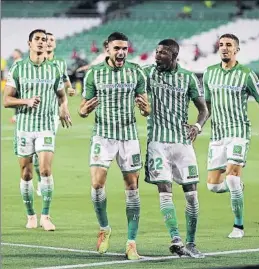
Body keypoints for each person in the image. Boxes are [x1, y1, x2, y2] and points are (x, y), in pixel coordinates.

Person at [78, 32, 150, 260]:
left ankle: (131, 242)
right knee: (97, 185)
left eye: (124, 49)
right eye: (116, 48)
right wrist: (83, 110)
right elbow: (82, 107)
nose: (121, 53)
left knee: (132, 188)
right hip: (103, 135)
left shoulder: (136, 72)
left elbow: (146, 106)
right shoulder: (94, 73)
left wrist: (146, 109)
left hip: (128, 137)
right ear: (107, 49)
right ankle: (104, 228)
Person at [143, 39, 208, 258]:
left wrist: (197, 126)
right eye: (156, 51)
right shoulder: (148, 74)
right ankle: (175, 238)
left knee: (191, 196)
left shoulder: (188, 77)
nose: (157, 56)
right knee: (164, 190)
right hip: (157, 143)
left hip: (182, 143)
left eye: (162, 53)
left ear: (174, 56)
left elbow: (203, 109)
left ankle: (191, 242)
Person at [203, 33, 259, 239]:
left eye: (229, 45)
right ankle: (237, 187)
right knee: (213, 186)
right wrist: (199, 125)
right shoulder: (209, 73)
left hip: (239, 133)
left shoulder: (246, 74)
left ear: (236, 50)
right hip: (217, 134)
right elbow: (207, 104)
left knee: (231, 178)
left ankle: (238, 227)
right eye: (221, 44)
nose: (224, 48)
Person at [3, 29, 72, 231]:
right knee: (26, 174)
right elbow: (6, 100)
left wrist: (64, 108)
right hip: (24, 128)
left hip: (45, 128)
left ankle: (46, 216)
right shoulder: (18, 68)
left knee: (45, 170)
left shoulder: (54, 69)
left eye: (44, 39)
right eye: (37, 39)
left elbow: (61, 95)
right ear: (29, 43)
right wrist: (26, 101)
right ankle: (31, 215)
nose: (42, 42)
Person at [34, 32, 76, 196]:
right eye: (47, 40)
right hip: (34, 113)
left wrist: (70, 88)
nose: (49, 43)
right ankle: (41, 177)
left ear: (55, 44)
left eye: (52, 40)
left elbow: (64, 80)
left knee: (42, 149)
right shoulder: (35, 63)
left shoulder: (59, 63)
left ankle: (44, 180)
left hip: (52, 113)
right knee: (33, 156)